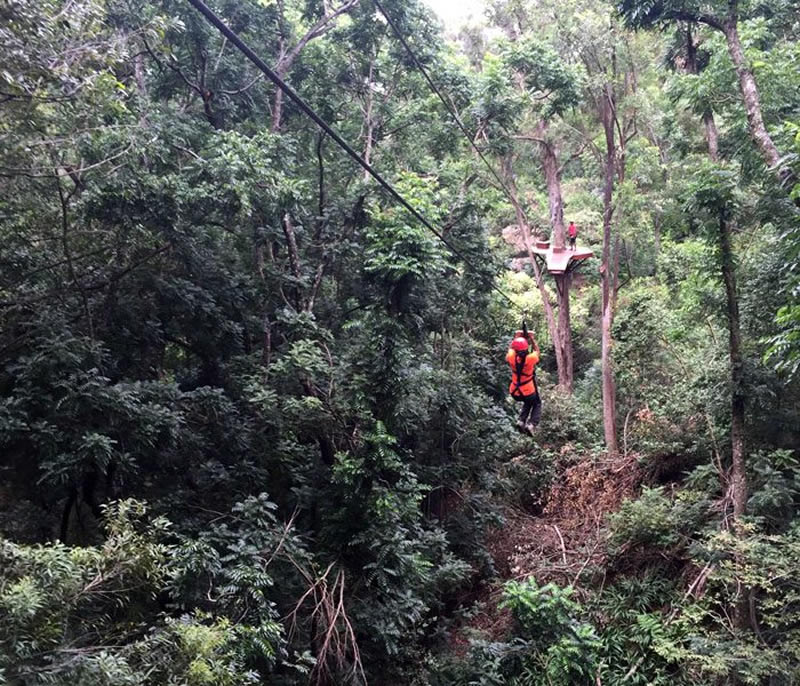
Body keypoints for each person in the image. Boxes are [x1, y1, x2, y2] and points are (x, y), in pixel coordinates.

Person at [506, 329, 541, 435]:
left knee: (528, 402)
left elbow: (511, 348)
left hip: (514, 391)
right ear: (526, 349)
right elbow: (537, 351)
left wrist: (517, 337)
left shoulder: (511, 357)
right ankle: (531, 425)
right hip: (527, 391)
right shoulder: (530, 359)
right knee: (537, 403)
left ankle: (521, 421)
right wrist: (532, 339)